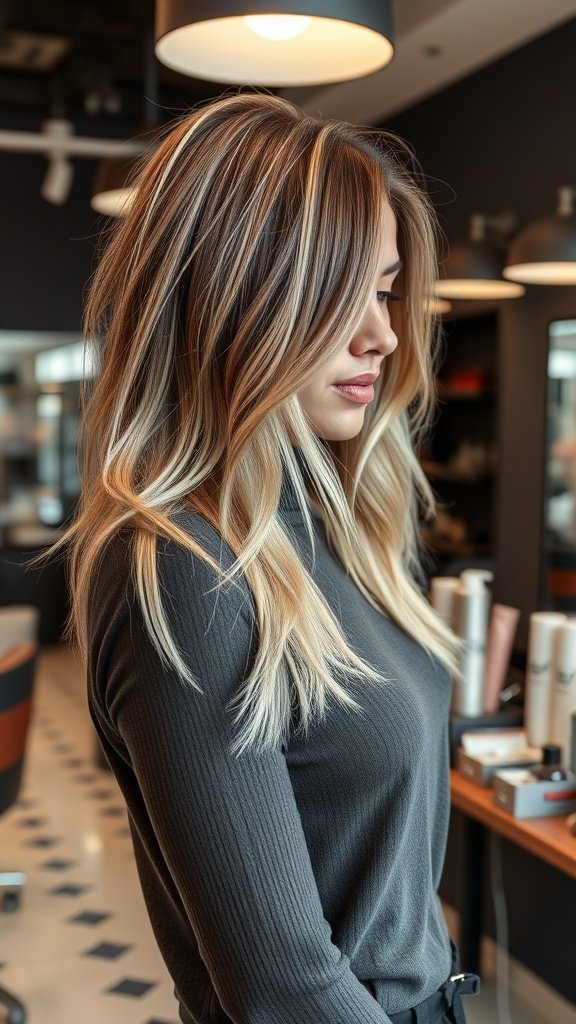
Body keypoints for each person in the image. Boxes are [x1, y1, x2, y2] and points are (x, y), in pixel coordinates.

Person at [44, 93, 481, 1023]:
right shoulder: (188, 569)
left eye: (387, 287)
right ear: (234, 296)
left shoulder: (332, 519)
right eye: (340, 292)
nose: (384, 333)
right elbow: (284, 989)